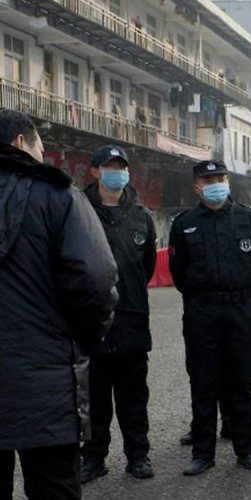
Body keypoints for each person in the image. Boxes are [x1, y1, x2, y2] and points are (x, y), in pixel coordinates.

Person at [0, 109, 118, 499]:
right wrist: (83, 339)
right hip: (46, 382)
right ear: (21, 142)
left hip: (40, 373)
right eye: (40, 146)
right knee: (54, 488)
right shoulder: (58, 195)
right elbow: (96, 278)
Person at [169, 160, 251, 474]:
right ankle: (203, 453)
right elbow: (178, 272)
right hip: (202, 311)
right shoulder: (184, 223)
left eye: (220, 178)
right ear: (196, 187)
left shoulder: (249, 219)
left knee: (242, 383)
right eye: (208, 180)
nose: (215, 185)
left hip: (242, 309)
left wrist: (241, 293)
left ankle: (247, 449)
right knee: (203, 383)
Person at [80, 146, 157, 483]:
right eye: (109, 167)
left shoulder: (142, 216)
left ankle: (138, 456)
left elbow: (147, 266)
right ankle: (93, 458)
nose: (117, 173)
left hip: (131, 321)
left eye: (121, 167)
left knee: (134, 397)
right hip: (90, 323)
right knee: (93, 398)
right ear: (95, 171)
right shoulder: (77, 211)